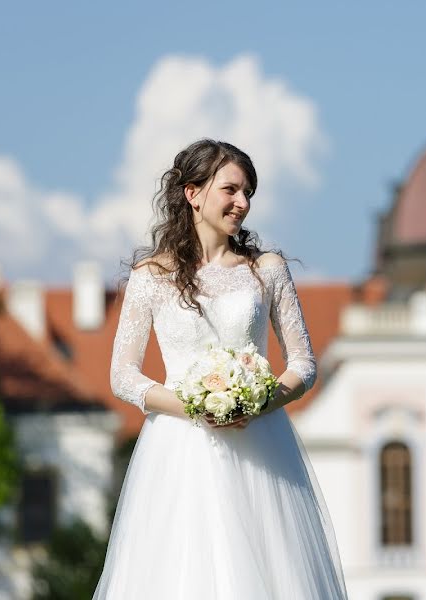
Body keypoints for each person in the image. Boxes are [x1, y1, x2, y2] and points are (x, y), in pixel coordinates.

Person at [92, 139, 348, 599]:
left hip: (261, 447)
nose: (242, 203)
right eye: (231, 189)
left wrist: (258, 400)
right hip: (178, 452)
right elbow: (122, 375)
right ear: (193, 193)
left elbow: (304, 364)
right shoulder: (151, 276)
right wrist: (195, 408)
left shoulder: (265, 270)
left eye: (248, 192)